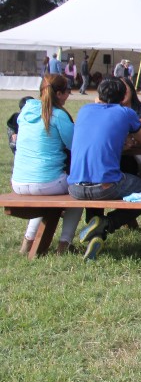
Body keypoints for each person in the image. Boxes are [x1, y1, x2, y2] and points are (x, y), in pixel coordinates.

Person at [69, 78, 141, 261]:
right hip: (104, 186)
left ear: (98, 94)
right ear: (123, 97)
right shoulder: (126, 113)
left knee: (96, 186)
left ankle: (96, 235)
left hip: (75, 187)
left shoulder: (84, 111)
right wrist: (127, 142)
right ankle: (108, 223)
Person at [11, 74, 82, 255]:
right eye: (67, 92)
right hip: (46, 183)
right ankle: (64, 244)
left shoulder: (25, 112)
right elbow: (75, 145)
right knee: (80, 190)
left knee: (43, 197)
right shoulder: (58, 116)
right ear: (58, 93)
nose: (68, 95)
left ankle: (28, 241)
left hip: (18, 182)